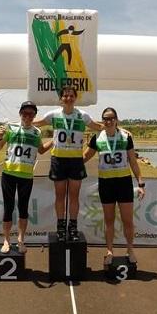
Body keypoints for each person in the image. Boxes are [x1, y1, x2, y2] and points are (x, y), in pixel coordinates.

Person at [34, 86, 102, 241]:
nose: (68, 98)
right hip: (58, 159)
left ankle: (72, 227)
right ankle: (60, 227)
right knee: (59, 196)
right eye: (65, 96)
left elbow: (99, 127)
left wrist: (122, 130)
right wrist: (16, 124)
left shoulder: (83, 116)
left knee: (74, 196)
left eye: (71, 96)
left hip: (75, 160)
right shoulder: (53, 114)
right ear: (61, 99)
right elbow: (37, 123)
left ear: (75, 98)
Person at [83, 107, 145, 264]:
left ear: (116, 119)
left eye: (111, 118)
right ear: (102, 120)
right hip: (106, 183)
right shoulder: (97, 137)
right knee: (109, 220)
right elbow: (85, 156)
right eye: (105, 118)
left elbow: (132, 161)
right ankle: (109, 251)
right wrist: (68, 163)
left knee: (127, 221)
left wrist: (140, 182)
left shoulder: (125, 137)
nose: (108, 121)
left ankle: (130, 249)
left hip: (123, 182)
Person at [0, 101, 52, 253]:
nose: (27, 116)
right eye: (25, 113)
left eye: (31, 114)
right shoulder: (11, 127)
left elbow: (40, 150)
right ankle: (6, 240)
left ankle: (21, 240)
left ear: (34, 116)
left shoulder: (36, 132)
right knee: (8, 208)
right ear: (20, 113)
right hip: (9, 174)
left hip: (26, 176)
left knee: (23, 209)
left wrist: (54, 140)